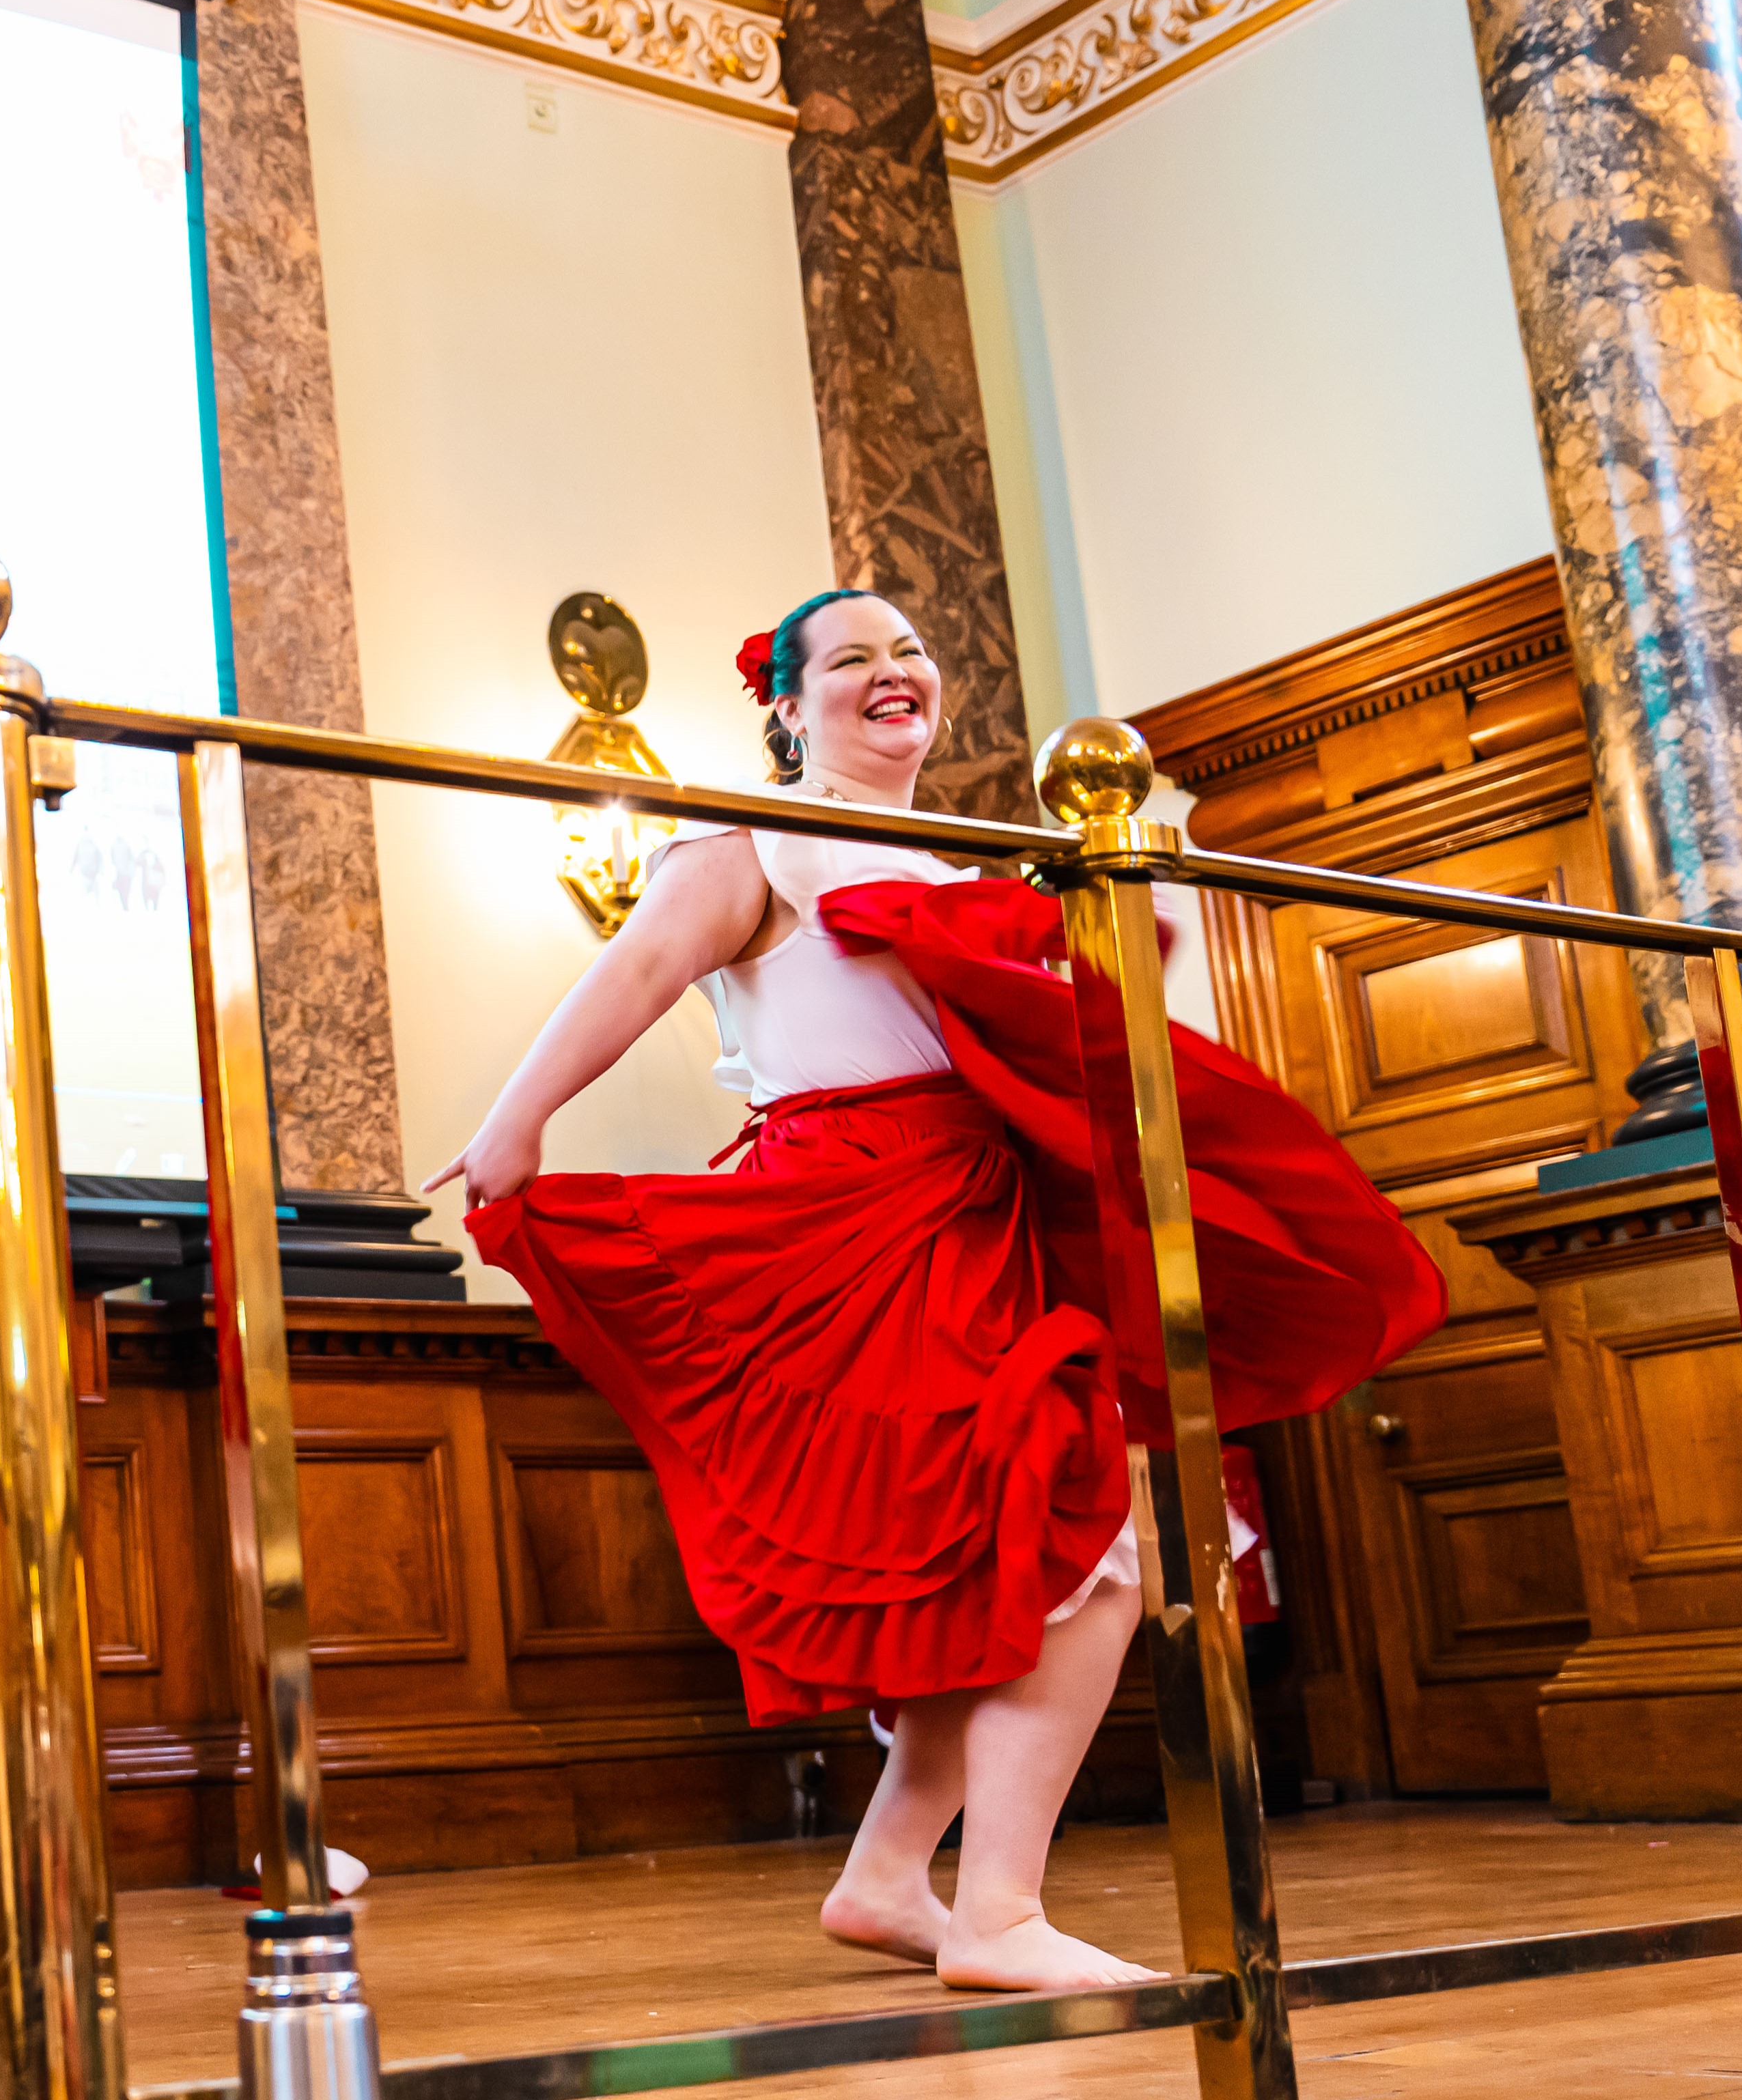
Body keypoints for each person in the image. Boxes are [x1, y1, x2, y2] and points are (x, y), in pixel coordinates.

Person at [426, 589, 1437, 1994]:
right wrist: (516, 1122)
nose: (893, 671)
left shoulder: (969, 853)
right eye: (852, 659)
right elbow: (640, 966)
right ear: (786, 707)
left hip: (981, 1211)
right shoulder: (747, 837)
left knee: (1016, 1552)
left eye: (910, 649)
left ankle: (891, 1878)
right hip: (858, 1222)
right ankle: (999, 1916)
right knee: (1091, 1548)